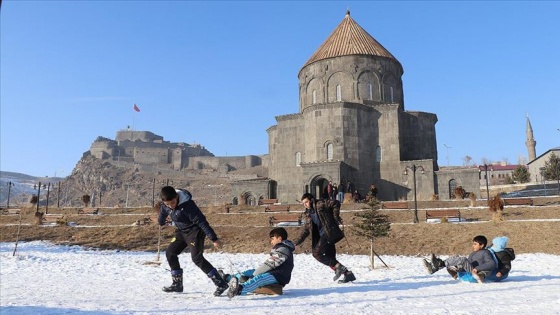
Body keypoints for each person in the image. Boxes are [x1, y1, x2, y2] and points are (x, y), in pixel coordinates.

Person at [157, 186, 229, 295]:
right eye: (168, 204)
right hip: (181, 232)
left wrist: (214, 239)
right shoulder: (165, 206)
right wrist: (161, 221)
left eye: (173, 203)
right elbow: (162, 214)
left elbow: (202, 222)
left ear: (177, 197)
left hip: (195, 232)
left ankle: (220, 283)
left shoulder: (188, 206)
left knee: (197, 258)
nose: (171, 206)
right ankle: (177, 284)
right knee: (170, 253)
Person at [293, 193, 356, 283]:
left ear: (311, 200)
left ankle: (339, 268)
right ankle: (348, 274)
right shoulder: (308, 213)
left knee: (316, 254)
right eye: (303, 203)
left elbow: (336, 203)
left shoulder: (320, 204)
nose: (305, 205)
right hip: (321, 236)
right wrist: (297, 242)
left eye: (306, 202)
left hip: (329, 232)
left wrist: (336, 216)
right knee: (329, 257)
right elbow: (306, 229)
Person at [225, 227, 295, 298]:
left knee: (259, 278)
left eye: (272, 239)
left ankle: (239, 290)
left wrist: (254, 275)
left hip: (279, 276)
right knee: (250, 272)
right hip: (273, 273)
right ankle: (228, 278)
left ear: (279, 239)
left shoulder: (284, 250)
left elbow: (269, 265)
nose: (271, 242)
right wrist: (254, 273)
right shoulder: (280, 248)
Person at [423, 235, 497, 283]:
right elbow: (468, 263)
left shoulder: (485, 252)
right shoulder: (473, 253)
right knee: (455, 257)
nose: (473, 246)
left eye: (475, 244)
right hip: (468, 269)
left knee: (463, 259)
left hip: (475, 271)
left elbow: (492, 264)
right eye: (473, 244)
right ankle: (434, 267)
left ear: (482, 245)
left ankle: (439, 264)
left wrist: (477, 268)